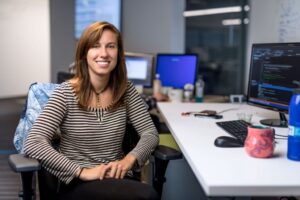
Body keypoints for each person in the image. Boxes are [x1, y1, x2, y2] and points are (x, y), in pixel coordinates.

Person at [24, 21, 159, 200]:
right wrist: (83, 172)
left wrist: (129, 160)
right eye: (95, 46)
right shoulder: (66, 93)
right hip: (77, 183)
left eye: (110, 46)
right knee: (147, 195)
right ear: (84, 53)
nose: (103, 54)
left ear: (118, 53)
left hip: (117, 178)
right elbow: (33, 142)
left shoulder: (125, 90)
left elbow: (150, 133)